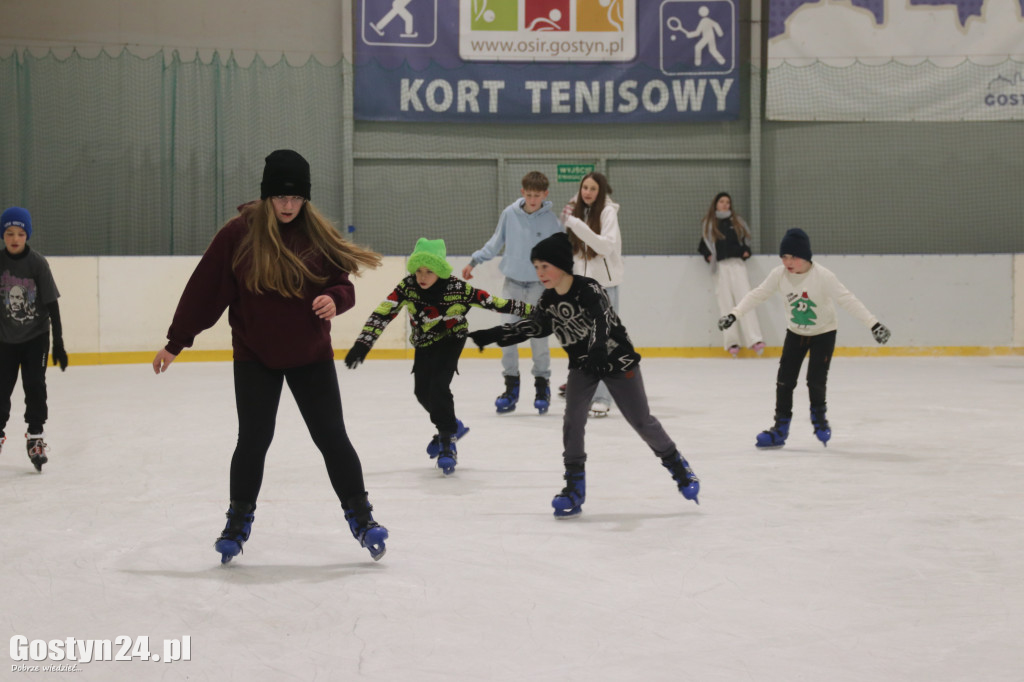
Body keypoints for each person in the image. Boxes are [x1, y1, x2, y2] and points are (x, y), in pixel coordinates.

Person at [152, 150, 390, 563]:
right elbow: (204, 292)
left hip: (310, 354)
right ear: (266, 195)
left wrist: (335, 299)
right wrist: (176, 341)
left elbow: (343, 284)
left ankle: (363, 517)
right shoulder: (238, 235)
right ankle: (237, 521)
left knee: (332, 438)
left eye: (296, 198)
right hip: (255, 355)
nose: (288, 205)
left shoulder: (315, 234)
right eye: (280, 197)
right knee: (253, 440)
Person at [468, 232, 700, 518]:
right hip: (583, 366)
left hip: (617, 360)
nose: (539, 273)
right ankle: (574, 488)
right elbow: (535, 326)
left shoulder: (588, 288)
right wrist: (494, 334)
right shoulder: (549, 300)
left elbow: (603, 317)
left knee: (641, 421)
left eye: (545, 266)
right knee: (572, 422)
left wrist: (600, 347)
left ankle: (679, 467)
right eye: (536, 267)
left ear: (562, 265)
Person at [345, 237, 532, 476]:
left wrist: (533, 311)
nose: (422, 276)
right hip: (424, 343)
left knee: (439, 386)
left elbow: (495, 303)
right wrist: (363, 343)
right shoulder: (408, 287)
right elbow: (384, 312)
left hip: (452, 340)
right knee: (422, 391)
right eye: (419, 270)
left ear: (440, 271)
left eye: (429, 271)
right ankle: (453, 425)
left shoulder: (458, 288)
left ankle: (447, 441)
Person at [719, 228, 891, 449]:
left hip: (824, 334)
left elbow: (848, 300)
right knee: (784, 381)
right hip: (796, 334)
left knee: (815, 380)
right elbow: (757, 294)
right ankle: (780, 429)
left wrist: (873, 324)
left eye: (794, 257)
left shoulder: (823, 276)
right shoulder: (779, 275)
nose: (788, 262)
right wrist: (734, 314)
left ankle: (819, 420)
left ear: (806, 257)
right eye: (784, 257)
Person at [462, 171, 562, 415]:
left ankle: (542, 387)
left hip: (540, 287)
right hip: (513, 285)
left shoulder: (551, 221)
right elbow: (496, 242)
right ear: (522, 192)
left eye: (537, 195)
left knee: (538, 339)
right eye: (528, 194)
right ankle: (510, 388)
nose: (532, 199)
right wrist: (474, 261)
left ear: (545, 194)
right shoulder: (510, 214)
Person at [0, 206, 68, 473]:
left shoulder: (38, 263)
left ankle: (35, 436)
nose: (14, 238)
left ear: (27, 234)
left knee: (35, 387)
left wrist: (59, 343)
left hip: (35, 339)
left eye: (19, 233)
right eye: (8, 233)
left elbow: (52, 305)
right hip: (5, 340)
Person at [559, 171, 624, 417]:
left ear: (601, 191)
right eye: (584, 187)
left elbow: (605, 246)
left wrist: (575, 223)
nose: (588, 192)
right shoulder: (576, 211)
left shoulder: (608, 213)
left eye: (593, 188)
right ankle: (585, 392)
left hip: (605, 287)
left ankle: (603, 397)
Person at [698, 191, 765, 358]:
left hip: (737, 265)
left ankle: (755, 339)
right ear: (716, 204)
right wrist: (708, 255)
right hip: (720, 267)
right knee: (725, 304)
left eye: (728, 202)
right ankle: (732, 342)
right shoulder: (709, 224)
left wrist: (745, 251)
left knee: (745, 300)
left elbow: (745, 241)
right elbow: (703, 244)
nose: (725, 205)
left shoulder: (737, 222)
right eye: (722, 201)